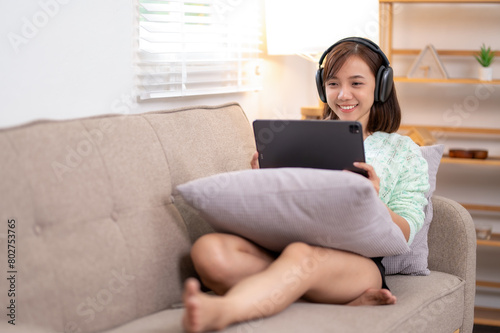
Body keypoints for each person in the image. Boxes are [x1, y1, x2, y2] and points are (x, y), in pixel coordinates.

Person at [182, 37, 430, 333]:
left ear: (381, 86)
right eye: (333, 83)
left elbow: (405, 234)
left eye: (357, 83)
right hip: (283, 250)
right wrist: (263, 179)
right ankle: (328, 297)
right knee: (209, 250)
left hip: (357, 265)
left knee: (302, 255)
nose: (343, 94)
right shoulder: (299, 136)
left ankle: (223, 311)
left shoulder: (404, 151)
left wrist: (373, 200)